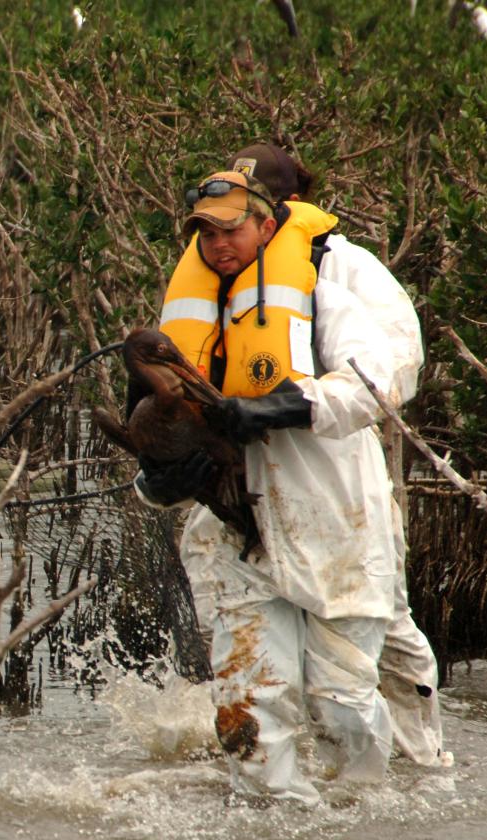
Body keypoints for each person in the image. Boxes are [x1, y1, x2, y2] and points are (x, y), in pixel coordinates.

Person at [137, 169, 401, 805]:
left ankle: (363, 829)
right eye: (205, 232)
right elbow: (152, 465)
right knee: (248, 715)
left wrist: (274, 409)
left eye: (230, 228)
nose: (218, 244)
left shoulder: (321, 304)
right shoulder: (178, 342)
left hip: (336, 526)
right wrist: (166, 479)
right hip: (233, 536)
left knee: (342, 705)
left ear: (265, 224)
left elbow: (376, 387)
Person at [226, 143, 451, 769]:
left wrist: (289, 406)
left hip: (343, 505)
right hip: (247, 511)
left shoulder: (342, 269)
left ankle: (418, 776)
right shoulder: (219, 280)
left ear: (286, 207)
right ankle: (291, 807)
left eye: (254, 208)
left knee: (392, 662)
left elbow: (393, 372)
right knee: (260, 692)